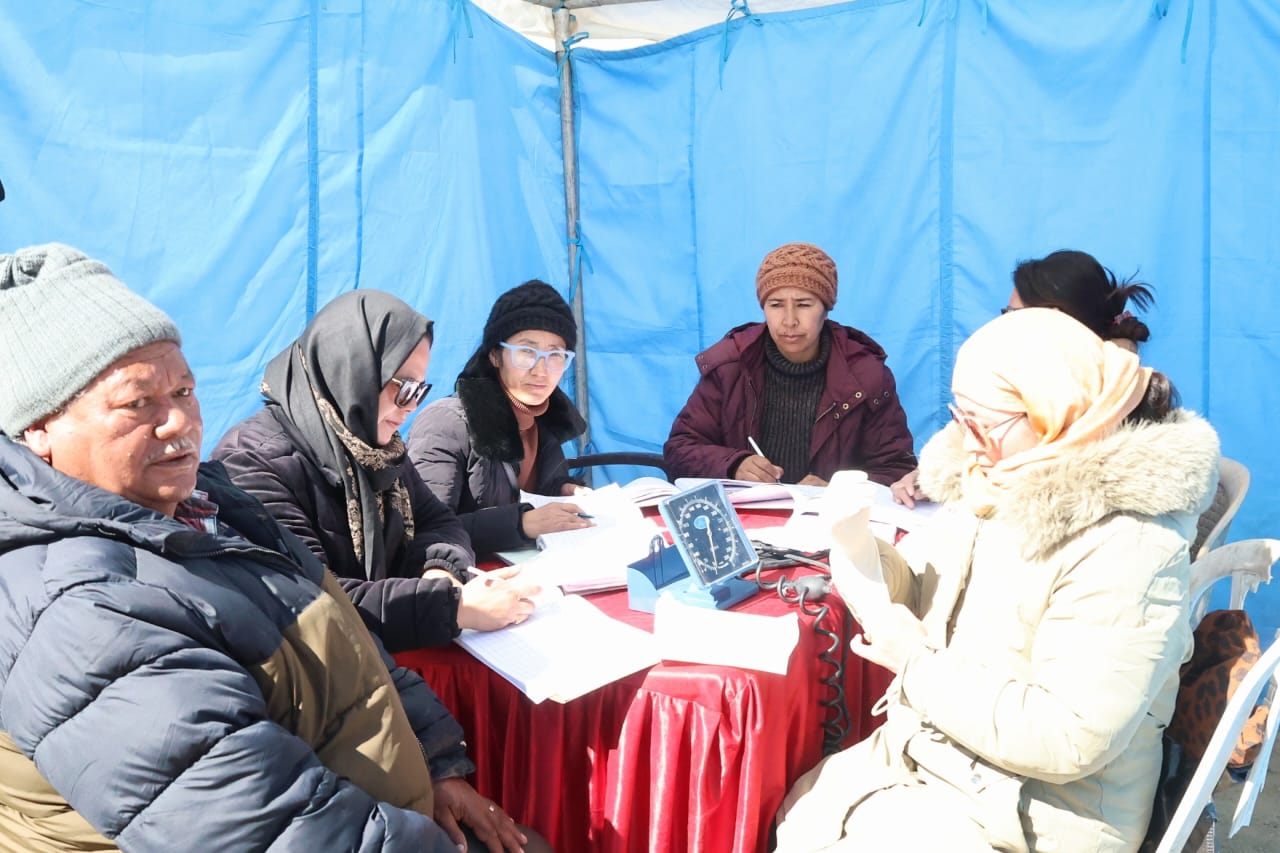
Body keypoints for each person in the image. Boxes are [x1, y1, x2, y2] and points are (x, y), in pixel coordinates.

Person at [0, 244, 531, 851]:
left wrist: (437, 764)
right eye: (137, 402)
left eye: (184, 391)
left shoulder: (214, 508)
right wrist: (448, 605)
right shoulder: (78, 606)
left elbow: (349, 640)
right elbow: (264, 827)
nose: (178, 423)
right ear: (38, 428)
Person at [775, 308, 1219, 852]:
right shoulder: (997, 480)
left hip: (1044, 813)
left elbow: (1069, 738)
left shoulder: (1128, 545)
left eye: (984, 421)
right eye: (960, 415)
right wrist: (857, 544)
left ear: (1052, 412)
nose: (967, 439)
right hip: (954, 762)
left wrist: (917, 664)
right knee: (794, 804)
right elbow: (925, 591)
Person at [212, 290, 539, 654]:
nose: (410, 407)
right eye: (403, 388)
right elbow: (312, 601)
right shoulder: (250, 461)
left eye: (420, 390)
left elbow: (439, 521)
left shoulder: (374, 445)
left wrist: (439, 572)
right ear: (352, 370)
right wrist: (454, 606)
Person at [891, 248, 1155, 506]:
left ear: (1052, 321)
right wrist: (935, 477)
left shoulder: (1119, 494)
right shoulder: (1000, 418)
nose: (1003, 324)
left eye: (1012, 314)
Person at [663, 242, 917, 487]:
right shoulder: (731, 367)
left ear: (826, 308)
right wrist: (734, 464)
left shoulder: (866, 376)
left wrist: (837, 491)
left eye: (804, 305)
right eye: (776, 305)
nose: (789, 320)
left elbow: (896, 470)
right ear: (763, 308)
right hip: (747, 520)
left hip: (830, 523)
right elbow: (679, 450)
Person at [406, 280, 591, 556]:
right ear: (495, 355)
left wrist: (566, 489)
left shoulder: (544, 417)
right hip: (474, 584)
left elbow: (533, 490)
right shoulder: (446, 423)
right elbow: (423, 530)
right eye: (527, 352)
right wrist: (522, 522)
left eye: (555, 355)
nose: (541, 370)